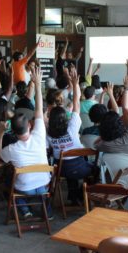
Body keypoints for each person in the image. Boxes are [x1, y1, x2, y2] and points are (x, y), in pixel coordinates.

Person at [0, 66, 51, 219]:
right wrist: (38, 85)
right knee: (40, 189)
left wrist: (0, 133)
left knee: (11, 184)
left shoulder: (12, 148)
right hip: (45, 185)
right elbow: (39, 110)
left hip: (25, 188)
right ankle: (47, 210)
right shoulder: (39, 134)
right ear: (30, 126)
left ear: (13, 130)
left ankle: (25, 210)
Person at [47, 69, 92, 205]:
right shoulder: (72, 129)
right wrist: (75, 83)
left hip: (62, 170)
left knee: (70, 167)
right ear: (65, 119)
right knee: (95, 170)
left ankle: (73, 197)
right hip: (80, 168)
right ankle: (83, 195)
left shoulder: (48, 134)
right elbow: (77, 104)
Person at [95, 65, 128, 163]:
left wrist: (104, 134)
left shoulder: (103, 145)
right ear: (120, 125)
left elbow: (95, 144)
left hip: (113, 177)